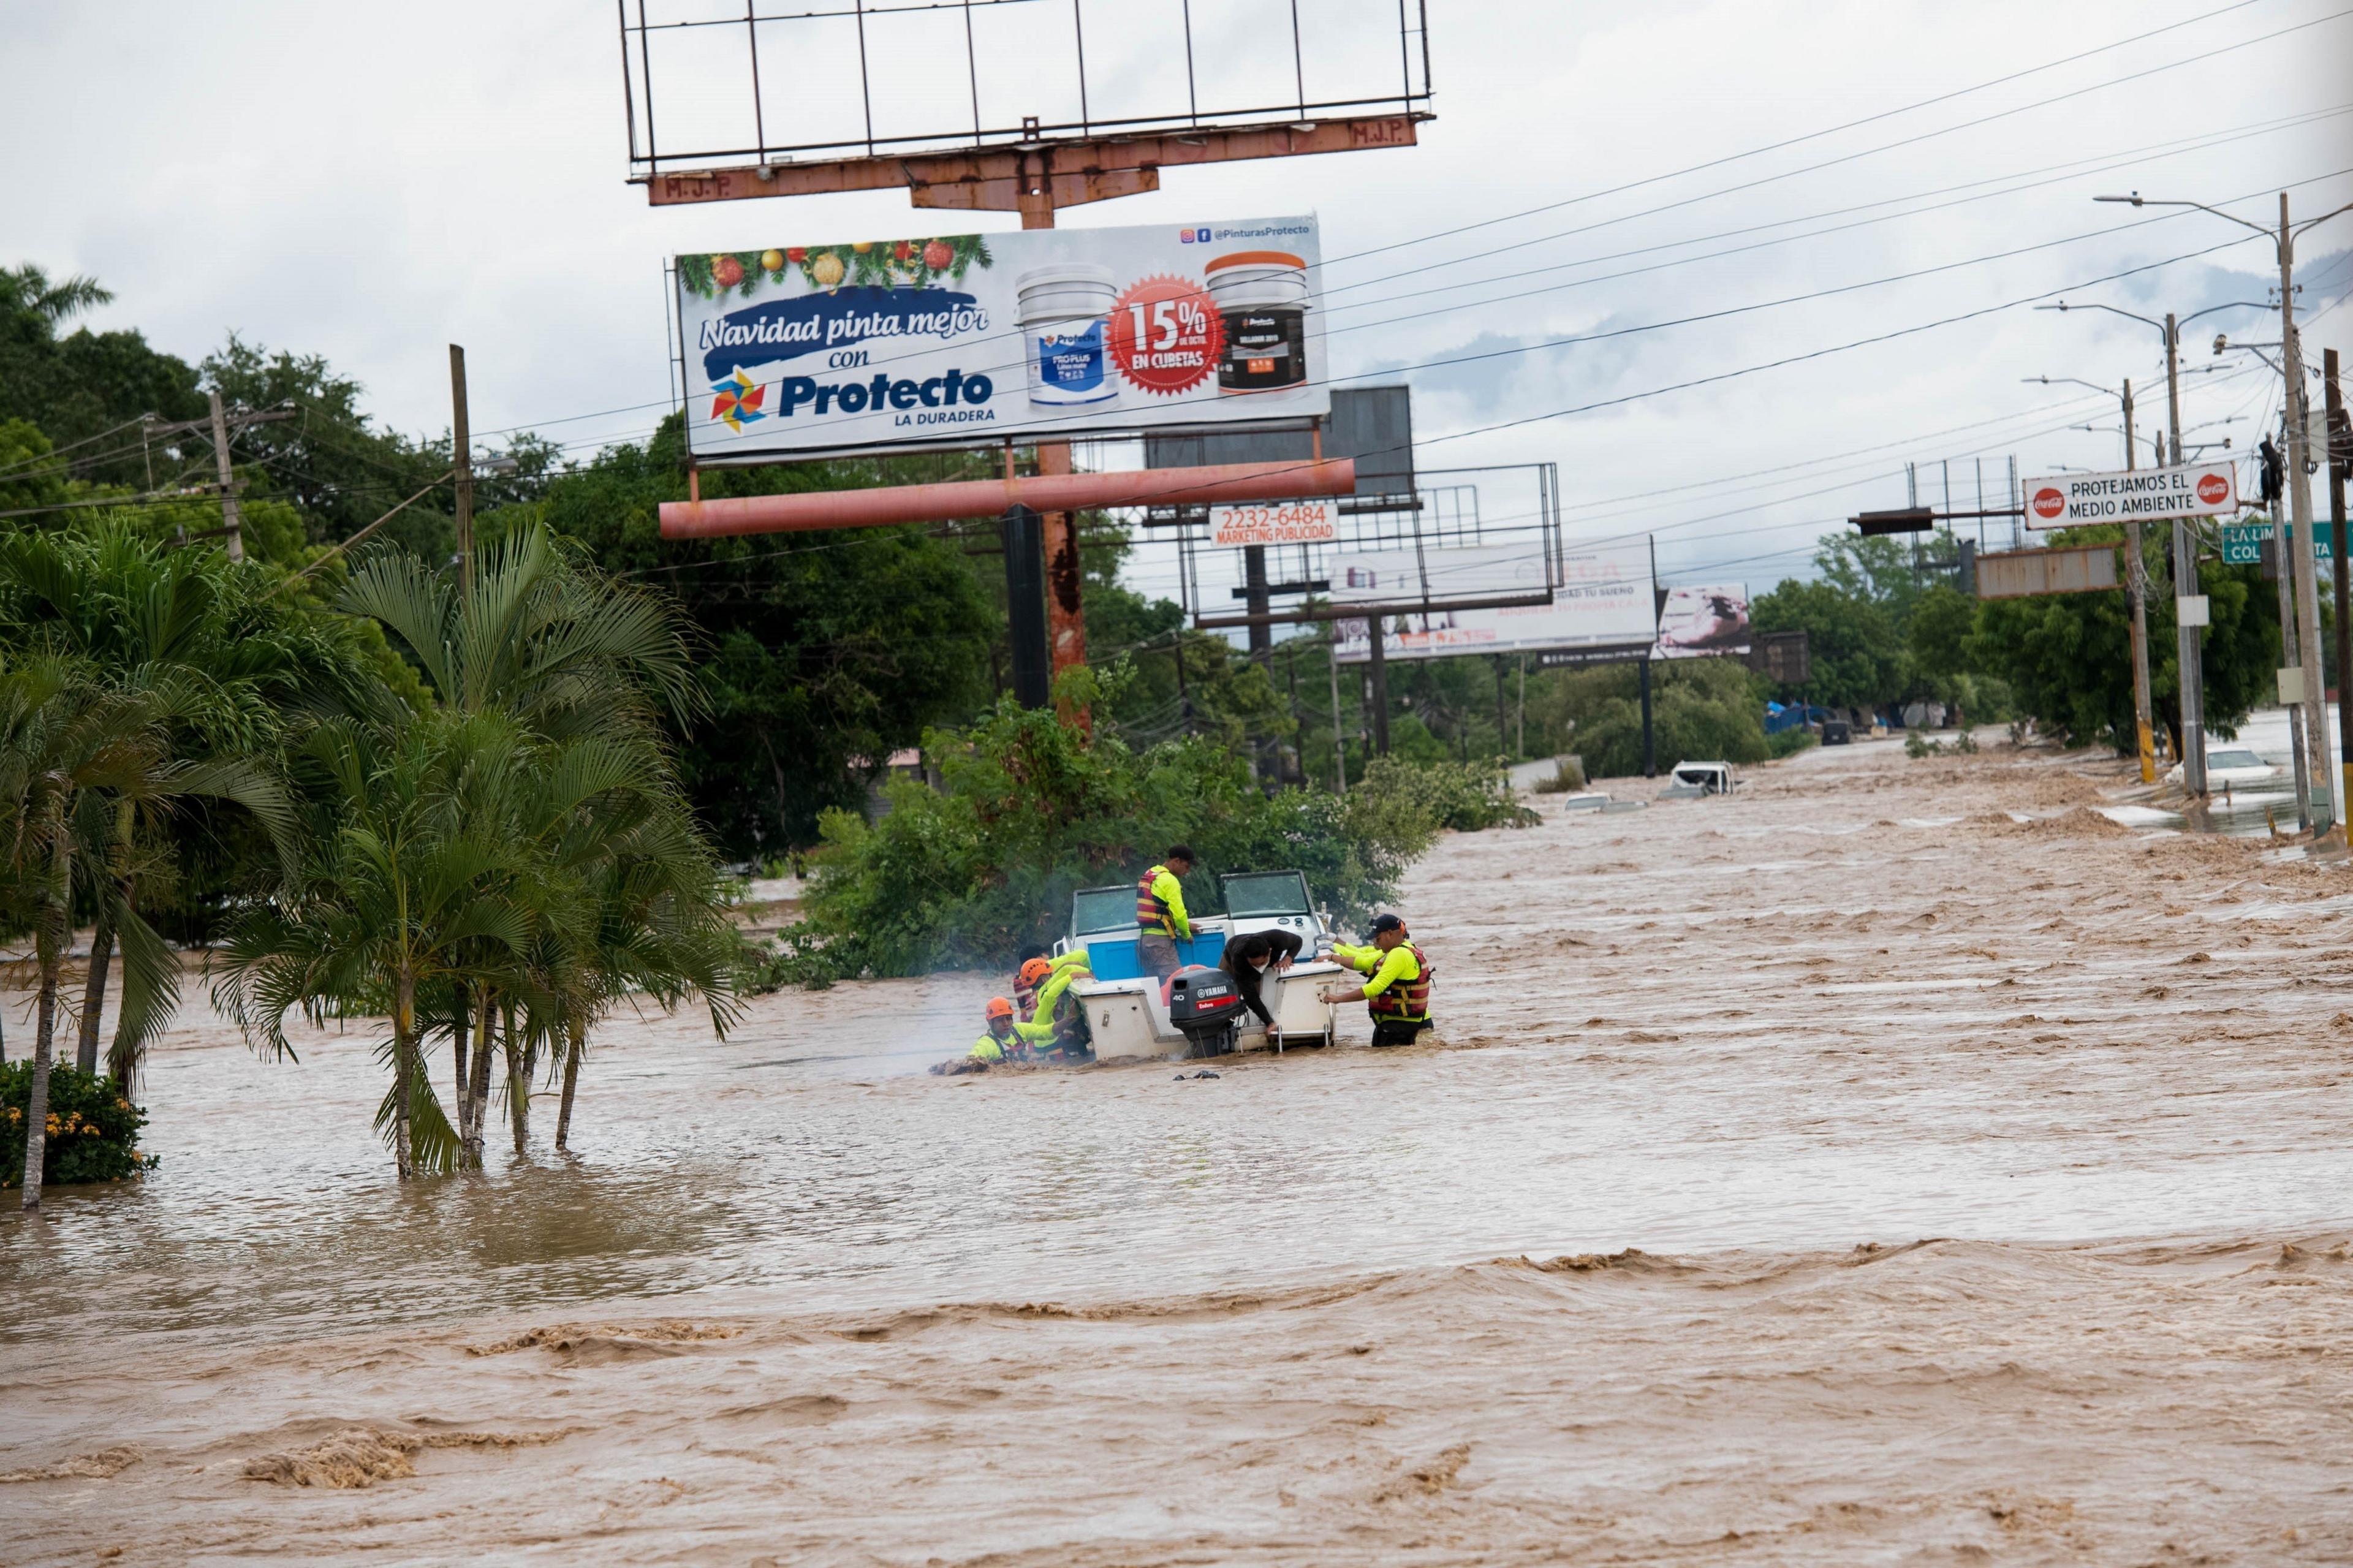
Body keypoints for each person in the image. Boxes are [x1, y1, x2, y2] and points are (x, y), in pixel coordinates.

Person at [1320, 913, 1434, 1047]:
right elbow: (1363, 962)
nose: (1376, 943)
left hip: (1399, 1028)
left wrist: (1338, 999)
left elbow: (1376, 987)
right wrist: (1333, 956)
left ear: (1390, 934)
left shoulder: (1399, 954)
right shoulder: (1401, 950)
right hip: (1401, 1025)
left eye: (1378, 938)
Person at [1015, 949, 1094, 1061]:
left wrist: (1073, 969)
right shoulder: (1042, 995)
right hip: (1050, 1049)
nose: (1053, 975)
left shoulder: (1035, 995)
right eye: (1050, 974)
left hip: (1044, 1048)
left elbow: (1062, 973)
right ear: (1043, 979)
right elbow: (1050, 995)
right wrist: (1074, 976)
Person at [1221, 926, 1302, 1035]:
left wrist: (1288, 958)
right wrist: (1270, 1023)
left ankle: (1268, 1023)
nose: (1258, 967)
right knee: (1226, 998)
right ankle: (1224, 1030)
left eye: (1261, 963)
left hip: (1261, 957)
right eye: (1255, 964)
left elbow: (1298, 941)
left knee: (1264, 997)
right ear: (1247, 958)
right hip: (1231, 957)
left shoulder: (1278, 938)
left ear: (1269, 952)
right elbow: (1250, 996)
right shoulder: (1239, 959)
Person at [1134, 844, 1195, 982]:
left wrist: (1186, 925)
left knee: (1156, 988)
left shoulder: (1150, 874)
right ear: (1177, 861)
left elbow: (1158, 910)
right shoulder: (1170, 880)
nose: (1187, 871)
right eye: (1186, 866)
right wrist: (1187, 935)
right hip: (1160, 943)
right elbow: (1179, 915)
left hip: (1145, 942)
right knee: (1175, 984)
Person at [931, 997, 1020, 1075]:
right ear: (989, 1022)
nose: (1006, 1024)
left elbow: (1034, 1028)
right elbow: (971, 1061)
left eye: (1008, 1018)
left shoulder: (1019, 1031)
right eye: (1000, 1020)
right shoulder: (986, 1044)